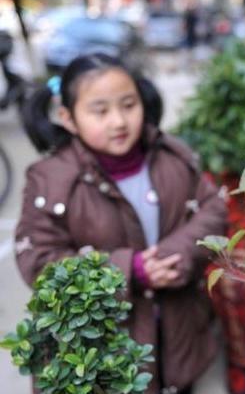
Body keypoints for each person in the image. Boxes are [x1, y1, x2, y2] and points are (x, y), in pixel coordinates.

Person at [15, 53, 227, 394]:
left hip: (178, 333)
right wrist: (130, 270)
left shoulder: (171, 154)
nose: (118, 121)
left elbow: (213, 208)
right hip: (104, 355)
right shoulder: (49, 180)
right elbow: (38, 262)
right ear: (68, 118)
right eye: (100, 111)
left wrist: (175, 254)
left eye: (128, 105)